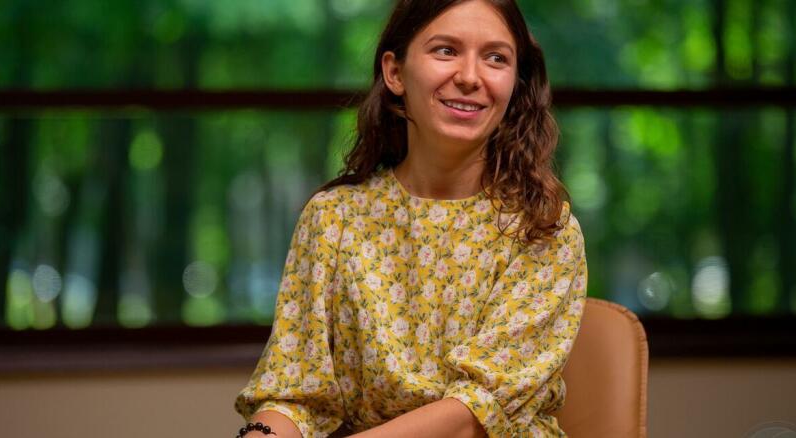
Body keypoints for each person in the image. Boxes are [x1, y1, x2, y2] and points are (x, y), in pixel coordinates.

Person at [235, 0, 587, 436]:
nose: (470, 76)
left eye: (496, 58)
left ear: (516, 83)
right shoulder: (333, 218)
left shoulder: (544, 229)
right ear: (395, 72)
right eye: (446, 50)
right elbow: (292, 397)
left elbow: (473, 413)